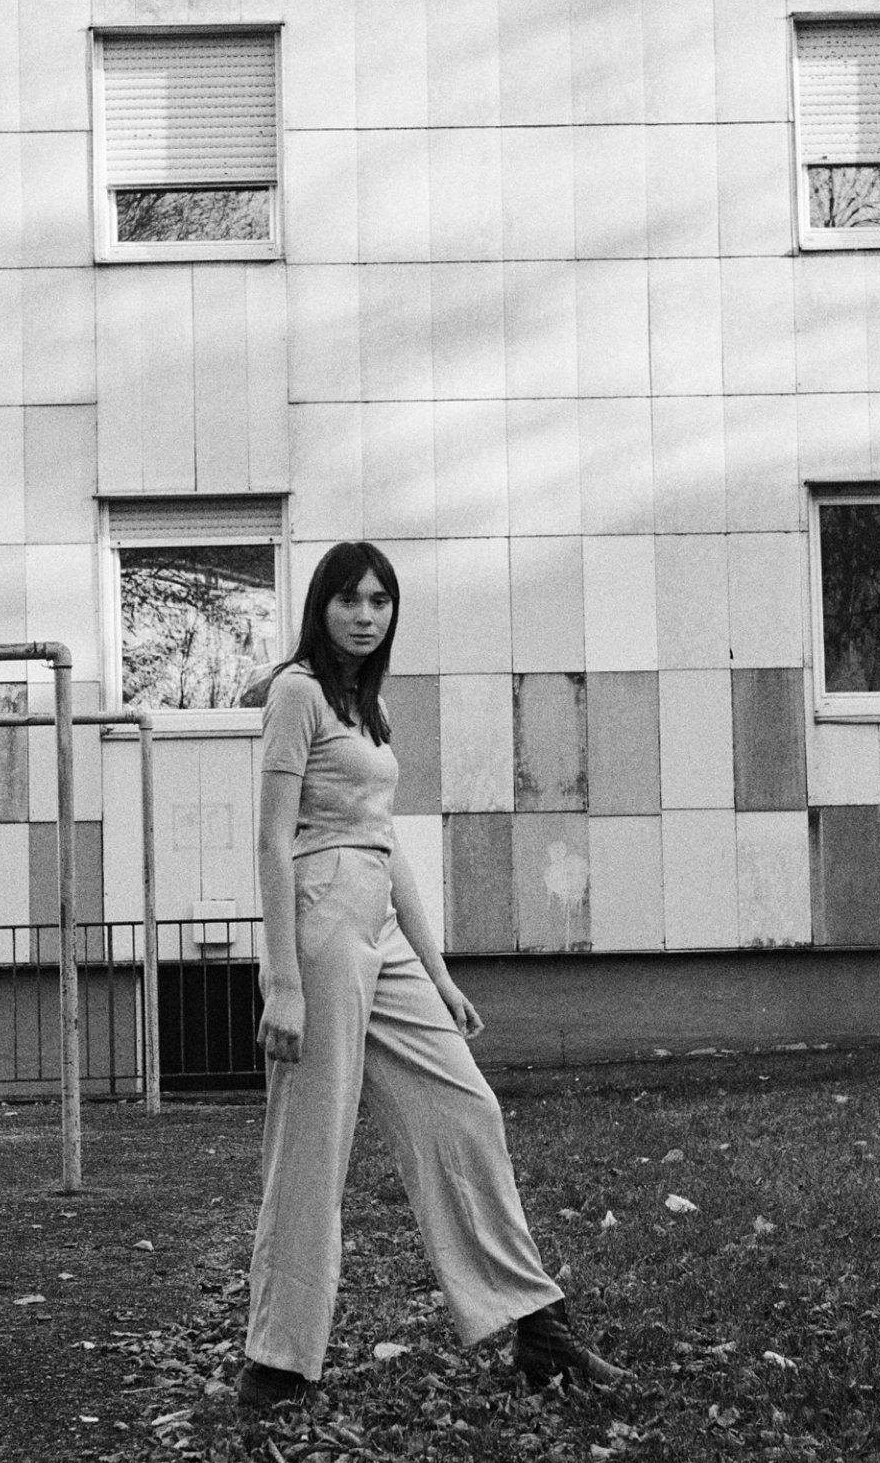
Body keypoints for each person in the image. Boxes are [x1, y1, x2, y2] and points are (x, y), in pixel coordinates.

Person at [234, 539, 625, 1415]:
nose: (365, 616)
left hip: (376, 915)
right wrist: (282, 981)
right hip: (323, 914)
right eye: (349, 600)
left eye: (380, 602)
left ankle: (534, 1322)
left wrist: (438, 973)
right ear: (320, 605)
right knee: (313, 1139)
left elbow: (387, 841)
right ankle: (276, 1362)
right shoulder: (295, 693)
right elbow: (269, 837)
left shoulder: (365, 709)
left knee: (465, 1104)